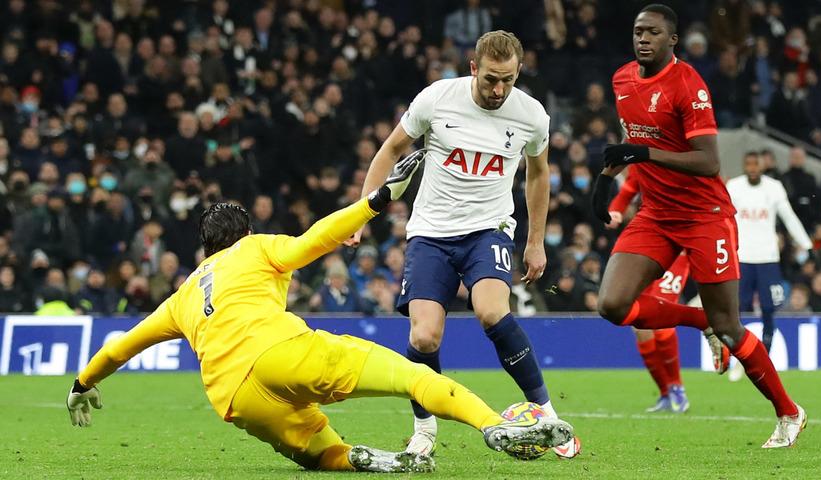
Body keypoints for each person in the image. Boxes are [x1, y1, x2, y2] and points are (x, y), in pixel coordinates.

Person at [65, 152, 573, 473]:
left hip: (234, 398)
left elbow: (120, 346)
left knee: (320, 454)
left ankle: (364, 459)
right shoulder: (255, 248)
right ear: (240, 235)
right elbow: (316, 238)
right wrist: (375, 201)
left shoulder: (182, 296)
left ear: (203, 249)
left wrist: (82, 384)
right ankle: (492, 425)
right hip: (281, 351)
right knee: (413, 375)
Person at [351, 30, 579, 458]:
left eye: (508, 80)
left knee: (492, 310)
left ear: (518, 73)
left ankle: (548, 417)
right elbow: (390, 149)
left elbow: (539, 173)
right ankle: (424, 429)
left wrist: (535, 242)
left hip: (487, 230)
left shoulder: (531, 115)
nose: (498, 89)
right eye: (491, 78)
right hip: (431, 233)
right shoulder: (437, 99)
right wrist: (363, 212)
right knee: (423, 338)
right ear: (473, 68)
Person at [590, 4, 805, 448]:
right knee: (612, 305)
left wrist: (643, 155)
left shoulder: (688, 84)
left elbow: (708, 161)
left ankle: (788, 412)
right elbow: (633, 141)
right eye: (637, 32)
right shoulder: (622, 79)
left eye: (653, 32)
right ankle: (699, 321)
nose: (643, 39)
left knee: (732, 326)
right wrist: (607, 185)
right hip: (656, 215)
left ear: (673, 40)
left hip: (705, 217)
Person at [607, 165, 690, 413]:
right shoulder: (645, 159)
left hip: (681, 247)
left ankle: (678, 389)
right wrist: (616, 209)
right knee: (640, 326)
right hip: (650, 244)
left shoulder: (687, 161)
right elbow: (631, 185)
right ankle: (665, 393)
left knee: (661, 319)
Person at [725, 151, 813, 381]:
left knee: (768, 309)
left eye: (756, 165)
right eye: (749, 164)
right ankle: (739, 360)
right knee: (738, 309)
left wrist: (806, 244)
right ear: (745, 166)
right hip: (742, 257)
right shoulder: (734, 187)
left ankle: (765, 361)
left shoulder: (774, 187)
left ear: (762, 166)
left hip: (768, 258)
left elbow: (789, 216)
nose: (753, 168)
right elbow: (723, 217)